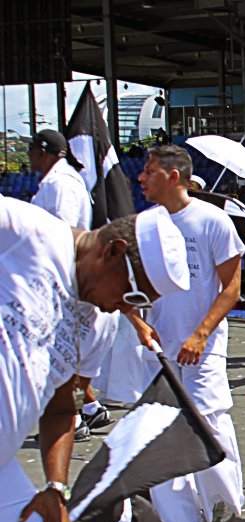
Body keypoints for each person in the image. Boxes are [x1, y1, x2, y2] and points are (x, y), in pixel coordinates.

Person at [0, 197, 188, 522]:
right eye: (134, 295)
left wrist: (54, 486)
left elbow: (62, 407)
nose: (127, 309)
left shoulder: (97, 324)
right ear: (113, 251)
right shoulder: (24, 230)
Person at [131, 145, 245, 522]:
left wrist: (200, 334)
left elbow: (231, 288)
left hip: (203, 346)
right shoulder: (144, 224)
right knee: (160, 428)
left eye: (149, 171)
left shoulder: (213, 220)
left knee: (208, 421)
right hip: (158, 347)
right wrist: (138, 323)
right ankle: (177, 520)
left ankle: (222, 503)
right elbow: (129, 284)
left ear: (172, 176)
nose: (141, 178)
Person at [29, 129, 113, 441]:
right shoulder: (63, 179)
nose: (29, 157)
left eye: (32, 150)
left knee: (60, 356)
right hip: (67, 275)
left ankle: (73, 417)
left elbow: (62, 232)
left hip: (63, 276)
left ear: (43, 150)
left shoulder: (59, 183)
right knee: (72, 358)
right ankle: (89, 408)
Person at [29, 129, 93, 230]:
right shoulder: (55, 181)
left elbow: (63, 234)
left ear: (42, 152)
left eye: (31, 148)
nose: (29, 154)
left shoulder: (61, 183)